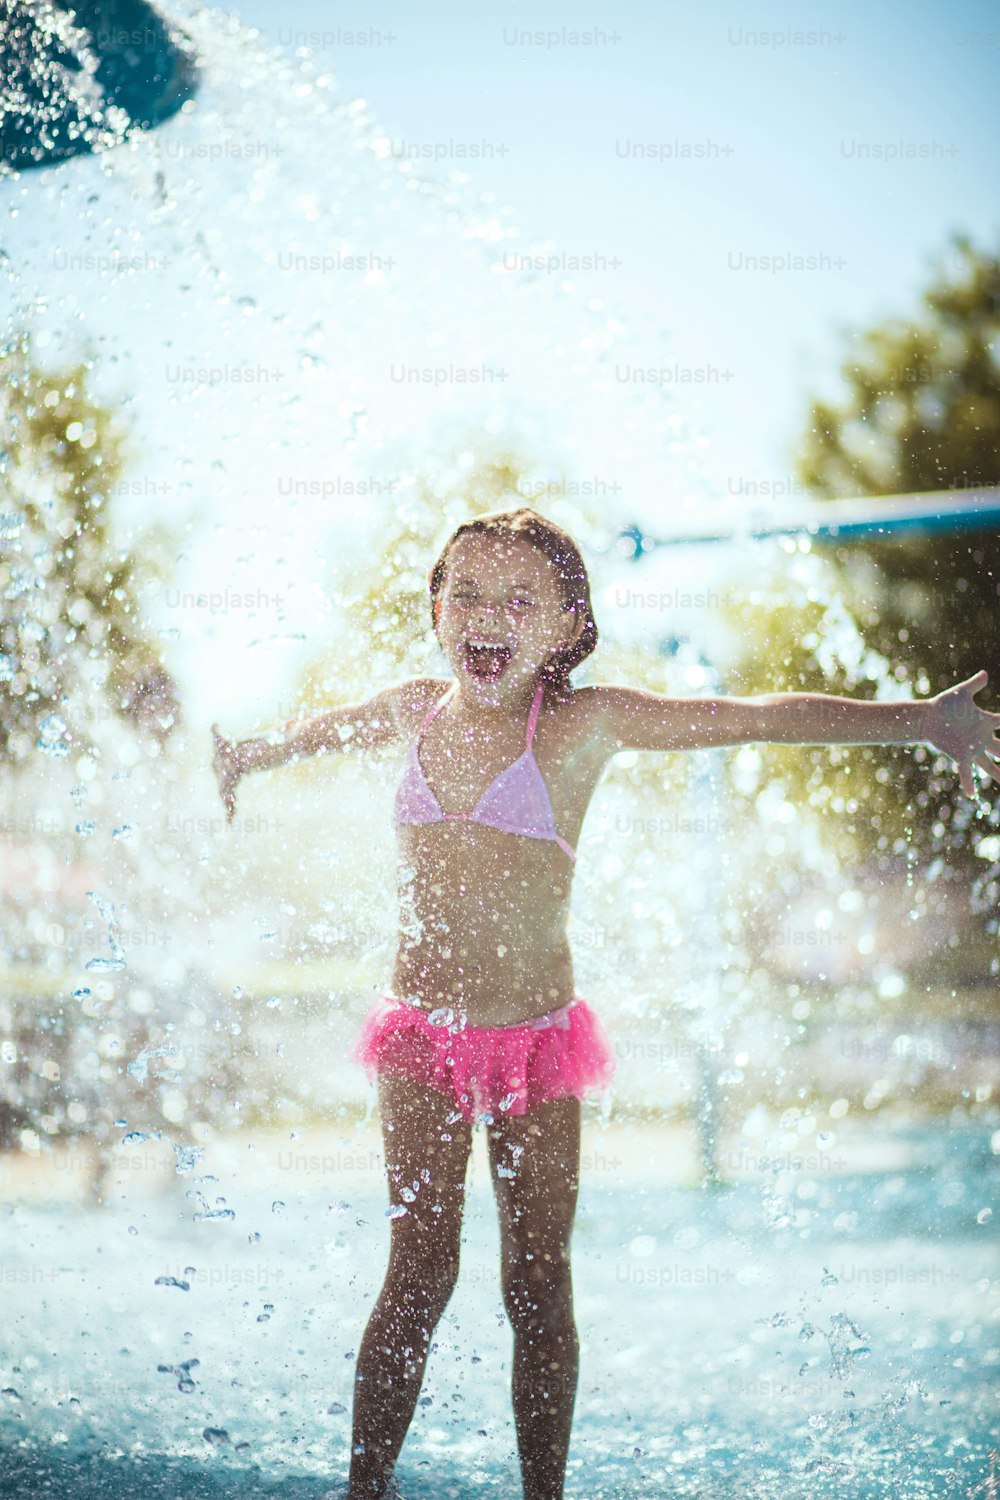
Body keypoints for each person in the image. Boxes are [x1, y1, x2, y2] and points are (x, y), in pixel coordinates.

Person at [211, 506, 999, 1500]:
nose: (487, 614)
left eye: (519, 599)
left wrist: (920, 721)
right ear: (435, 609)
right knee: (419, 1273)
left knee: (536, 1285)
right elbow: (317, 733)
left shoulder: (586, 726)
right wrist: (246, 755)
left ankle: (545, 1494)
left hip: (536, 1044)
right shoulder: (413, 709)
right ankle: (365, 1487)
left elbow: (753, 716)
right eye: (466, 592)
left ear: (566, 629)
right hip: (420, 1038)